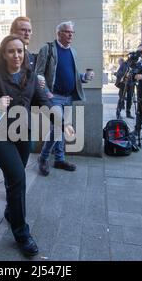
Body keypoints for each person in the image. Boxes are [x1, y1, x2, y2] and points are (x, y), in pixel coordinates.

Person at [0, 35, 75, 256]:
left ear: (25, 53)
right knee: (18, 178)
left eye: (20, 51)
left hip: (23, 135)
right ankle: (22, 233)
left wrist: (63, 122)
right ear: (4, 54)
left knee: (14, 180)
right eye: (11, 51)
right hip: (0, 136)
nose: (17, 55)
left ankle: (12, 211)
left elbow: (44, 102)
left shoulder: (30, 77)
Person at [35, 21, 92, 176]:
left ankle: (59, 159)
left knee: (60, 129)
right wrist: (46, 92)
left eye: (72, 32)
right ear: (59, 33)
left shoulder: (72, 51)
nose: (70, 35)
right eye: (67, 32)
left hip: (68, 97)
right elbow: (38, 73)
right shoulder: (47, 49)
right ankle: (43, 157)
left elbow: (72, 74)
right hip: (54, 97)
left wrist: (84, 77)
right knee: (60, 127)